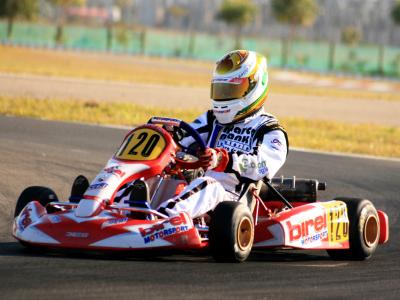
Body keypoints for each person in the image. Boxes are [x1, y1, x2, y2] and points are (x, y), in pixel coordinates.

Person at [155, 50, 288, 218]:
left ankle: (160, 220)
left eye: (232, 90)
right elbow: (184, 138)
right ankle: (118, 209)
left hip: (232, 203)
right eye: (222, 90)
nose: (225, 97)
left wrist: (223, 160)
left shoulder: (269, 130)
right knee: (160, 176)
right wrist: (168, 135)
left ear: (255, 86)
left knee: (209, 185)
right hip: (198, 192)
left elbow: (262, 166)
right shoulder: (212, 119)